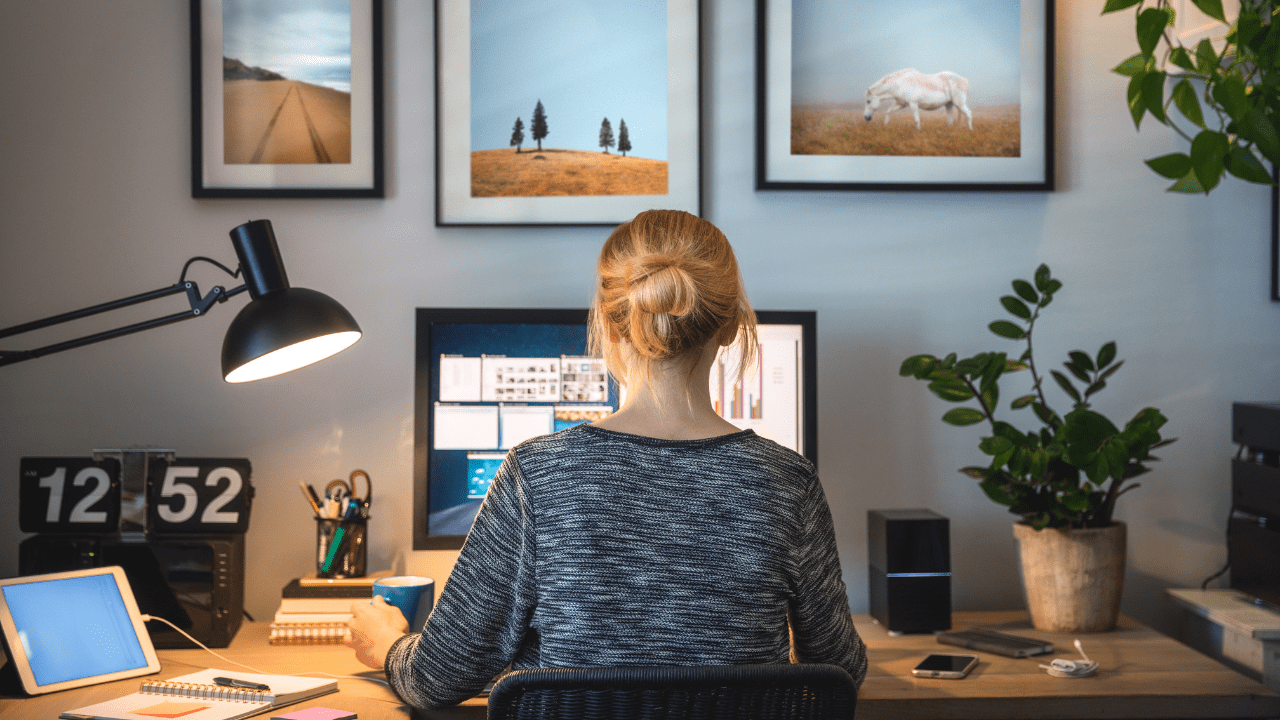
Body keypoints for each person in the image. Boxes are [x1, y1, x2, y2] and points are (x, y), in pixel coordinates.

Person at [346, 209, 867, 708]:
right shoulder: (787, 482)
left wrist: (388, 645)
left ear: (612, 326)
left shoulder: (536, 474)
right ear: (731, 327)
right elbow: (841, 669)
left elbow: (437, 679)